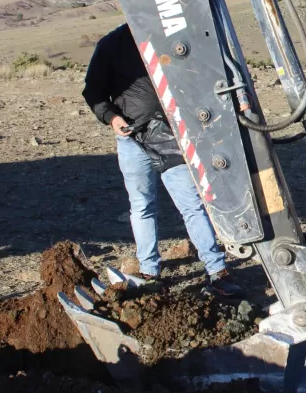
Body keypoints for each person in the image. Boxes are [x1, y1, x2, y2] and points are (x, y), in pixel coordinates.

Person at [82, 24, 242, 298]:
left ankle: (217, 270)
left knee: (191, 203)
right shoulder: (112, 44)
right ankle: (149, 272)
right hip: (132, 138)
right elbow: (93, 91)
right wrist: (112, 118)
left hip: (171, 135)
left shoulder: (168, 34)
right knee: (142, 205)